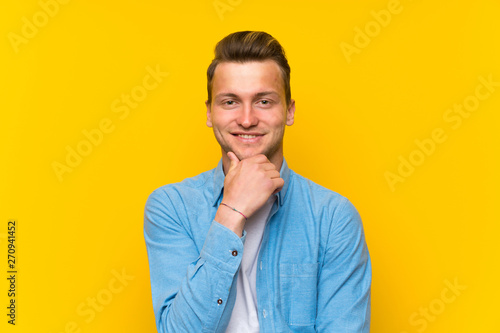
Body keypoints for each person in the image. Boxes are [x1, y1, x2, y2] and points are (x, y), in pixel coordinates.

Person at [143, 30, 372, 333]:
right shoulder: (171, 207)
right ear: (210, 112)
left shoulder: (333, 217)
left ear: (289, 111)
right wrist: (231, 211)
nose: (247, 119)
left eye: (263, 101)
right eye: (230, 102)